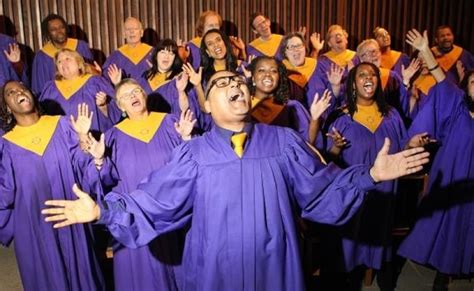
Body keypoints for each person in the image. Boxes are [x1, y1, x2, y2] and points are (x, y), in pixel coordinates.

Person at [42, 69, 429, 291]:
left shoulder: (284, 142)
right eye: (222, 84)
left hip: (277, 266)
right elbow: (152, 202)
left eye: (238, 82)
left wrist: (370, 175)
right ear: (207, 105)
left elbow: (321, 192)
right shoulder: (192, 154)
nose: (236, 86)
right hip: (216, 271)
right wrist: (101, 211)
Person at [75, 79, 195, 291]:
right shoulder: (112, 136)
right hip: (136, 216)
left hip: (173, 212)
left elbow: (192, 164)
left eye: (137, 91)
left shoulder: (170, 123)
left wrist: (187, 138)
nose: (133, 96)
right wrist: (100, 160)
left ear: (145, 95)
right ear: (120, 106)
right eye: (126, 95)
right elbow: (103, 183)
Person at [319, 62, 420, 291]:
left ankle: (381, 271)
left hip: (384, 189)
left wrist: (412, 143)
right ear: (353, 84)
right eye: (362, 74)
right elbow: (326, 160)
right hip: (353, 190)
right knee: (350, 233)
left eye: (373, 75)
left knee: (380, 227)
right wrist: (335, 147)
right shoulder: (341, 116)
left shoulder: (391, 114)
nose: (368, 78)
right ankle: (348, 276)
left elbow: (402, 145)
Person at [0, 81, 104, 290]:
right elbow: (4, 191)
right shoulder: (6, 144)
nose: (19, 91)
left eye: (22, 88)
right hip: (34, 224)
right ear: (8, 108)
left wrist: (84, 138)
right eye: (11, 93)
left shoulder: (63, 125)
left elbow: (83, 166)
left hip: (72, 215)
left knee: (82, 271)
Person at [397, 29, 474, 291]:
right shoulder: (458, 106)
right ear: (468, 86)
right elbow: (441, 81)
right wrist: (426, 51)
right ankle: (442, 274)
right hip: (453, 176)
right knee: (448, 225)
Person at [247, 55, 330, 145]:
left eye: (273, 71)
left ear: (279, 79)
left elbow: (307, 144)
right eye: (261, 70)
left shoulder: (291, 107)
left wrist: (314, 119)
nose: (268, 74)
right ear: (253, 79)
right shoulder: (242, 107)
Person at [40, 48, 120, 133]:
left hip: (93, 140)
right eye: (59, 62)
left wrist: (103, 106)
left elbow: (118, 108)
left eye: (67, 59)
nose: (63, 63)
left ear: (79, 64)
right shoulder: (51, 88)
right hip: (63, 142)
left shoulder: (96, 82)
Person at [32, 14, 94, 95]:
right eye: (53, 29)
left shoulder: (80, 46)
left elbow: (91, 74)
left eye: (61, 27)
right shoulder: (42, 57)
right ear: (48, 33)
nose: (59, 31)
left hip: (84, 95)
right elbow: (40, 88)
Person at [279, 32, 339, 111]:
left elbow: (334, 98)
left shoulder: (320, 67)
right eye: (291, 47)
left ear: (304, 48)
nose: (296, 50)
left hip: (323, 119)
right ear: (285, 52)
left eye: (299, 46)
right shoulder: (280, 73)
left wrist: (335, 86)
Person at [102, 17, 153, 83]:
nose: (132, 32)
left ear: (141, 33)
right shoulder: (116, 56)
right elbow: (106, 78)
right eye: (128, 29)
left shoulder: (152, 53)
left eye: (135, 29)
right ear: (124, 34)